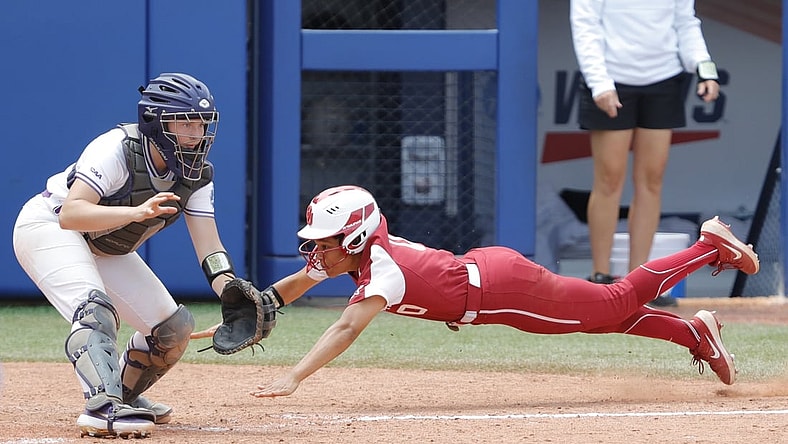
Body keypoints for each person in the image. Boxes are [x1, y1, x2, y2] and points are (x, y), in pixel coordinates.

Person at [244, 185, 757, 400]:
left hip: (502, 291)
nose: (319, 251)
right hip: (493, 286)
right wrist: (266, 301)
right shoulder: (361, 252)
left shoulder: (381, 270)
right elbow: (303, 279)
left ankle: (709, 247)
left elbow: (345, 326)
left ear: (354, 236)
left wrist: (294, 377)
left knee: (616, 301)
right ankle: (694, 335)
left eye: (326, 241)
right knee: (600, 316)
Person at [12, 73, 243, 439]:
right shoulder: (116, 147)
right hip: (50, 226)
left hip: (105, 245)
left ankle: (123, 395)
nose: (196, 134)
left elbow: (210, 247)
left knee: (172, 329)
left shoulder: (196, 174)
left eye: (201, 124)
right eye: (184, 123)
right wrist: (135, 214)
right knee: (95, 311)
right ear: (154, 122)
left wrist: (231, 290)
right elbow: (72, 214)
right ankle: (101, 407)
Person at [569, 0, 721, 306]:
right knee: (609, 180)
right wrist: (599, 83)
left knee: (651, 181)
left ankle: (639, 283)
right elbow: (585, 27)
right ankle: (600, 278)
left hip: (664, 81)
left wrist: (705, 67)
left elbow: (685, 22)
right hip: (610, 80)